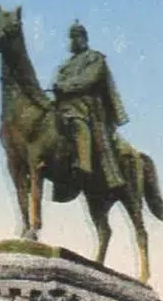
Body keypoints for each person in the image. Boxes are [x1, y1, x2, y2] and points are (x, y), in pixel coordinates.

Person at [53, 21, 130, 191]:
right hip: (64, 105)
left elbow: (89, 79)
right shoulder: (66, 65)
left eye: (78, 37)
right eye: (72, 37)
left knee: (78, 124)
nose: (75, 40)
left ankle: (84, 168)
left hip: (86, 106)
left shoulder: (95, 58)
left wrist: (65, 86)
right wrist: (57, 86)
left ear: (85, 38)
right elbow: (58, 80)